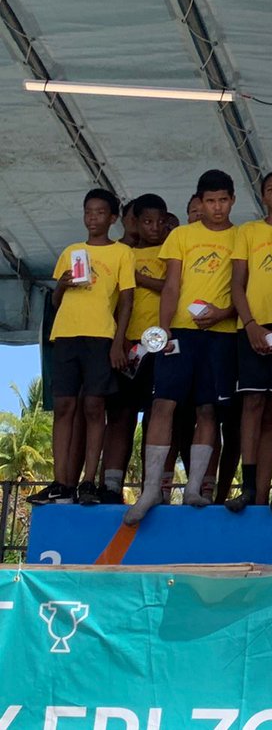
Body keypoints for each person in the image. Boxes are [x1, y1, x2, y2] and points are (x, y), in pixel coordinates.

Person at [124, 170, 239, 524]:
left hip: (221, 333)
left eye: (222, 201)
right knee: (161, 406)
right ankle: (150, 490)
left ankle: (194, 489)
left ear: (233, 200)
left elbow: (242, 286)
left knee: (208, 411)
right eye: (209, 201)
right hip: (179, 333)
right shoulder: (182, 237)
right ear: (199, 202)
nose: (216, 208)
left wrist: (224, 312)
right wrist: (164, 328)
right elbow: (171, 285)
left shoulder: (242, 236)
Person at [29, 189, 134, 505]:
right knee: (63, 407)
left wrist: (118, 343)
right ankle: (61, 482)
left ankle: (89, 481)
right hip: (65, 335)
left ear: (113, 218)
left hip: (100, 336)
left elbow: (127, 301)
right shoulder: (71, 251)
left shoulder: (121, 253)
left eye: (100, 212)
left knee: (94, 406)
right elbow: (57, 300)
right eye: (88, 212)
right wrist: (61, 283)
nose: (93, 218)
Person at [226, 171, 272, 513]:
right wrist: (251, 325)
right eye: (270, 189)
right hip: (252, 329)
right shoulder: (248, 232)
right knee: (252, 405)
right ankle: (249, 484)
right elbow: (237, 284)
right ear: (261, 195)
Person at [103, 193, 169, 503]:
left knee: (157, 415)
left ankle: (150, 488)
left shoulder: (172, 251)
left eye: (159, 222)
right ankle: (111, 485)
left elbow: (173, 288)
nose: (154, 227)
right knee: (120, 415)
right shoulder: (122, 254)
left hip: (161, 346)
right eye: (147, 221)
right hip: (127, 345)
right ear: (134, 223)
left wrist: (139, 278)